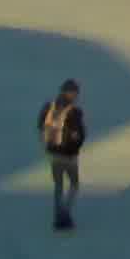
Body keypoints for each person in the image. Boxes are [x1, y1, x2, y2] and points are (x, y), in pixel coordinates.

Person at [39, 78, 87, 229]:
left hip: (54, 154)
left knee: (58, 185)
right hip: (69, 155)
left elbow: (41, 125)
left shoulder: (49, 107)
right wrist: (76, 144)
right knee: (74, 184)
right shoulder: (75, 112)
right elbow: (81, 134)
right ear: (73, 93)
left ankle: (57, 216)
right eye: (75, 93)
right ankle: (64, 214)